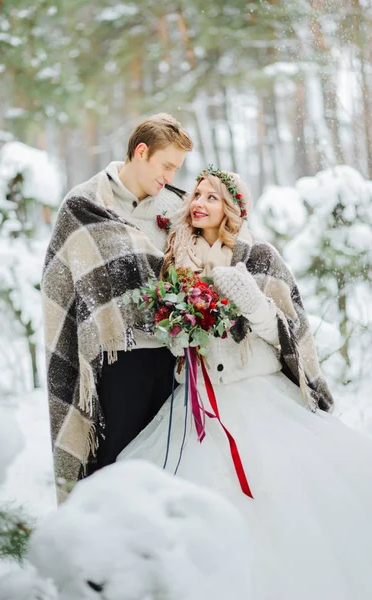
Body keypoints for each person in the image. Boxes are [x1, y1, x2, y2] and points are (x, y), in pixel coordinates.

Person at [119, 166, 372, 599]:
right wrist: (179, 331)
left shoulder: (260, 257)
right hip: (198, 405)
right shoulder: (176, 260)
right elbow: (176, 347)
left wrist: (254, 305)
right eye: (196, 194)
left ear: (232, 209)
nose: (198, 202)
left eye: (212, 197)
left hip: (259, 398)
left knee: (279, 507)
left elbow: (289, 337)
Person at [41, 113, 193, 502]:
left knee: (168, 470)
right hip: (118, 363)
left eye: (177, 169)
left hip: (174, 362)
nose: (171, 177)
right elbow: (60, 283)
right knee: (113, 468)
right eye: (166, 166)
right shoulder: (85, 205)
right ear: (141, 152)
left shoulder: (179, 208)